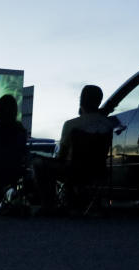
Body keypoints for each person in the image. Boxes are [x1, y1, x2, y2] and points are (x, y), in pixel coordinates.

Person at [31, 84, 114, 213]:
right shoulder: (108, 125)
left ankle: (49, 205)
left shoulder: (71, 125)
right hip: (97, 171)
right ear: (99, 101)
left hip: (73, 171)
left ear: (81, 101)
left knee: (38, 163)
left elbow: (62, 156)